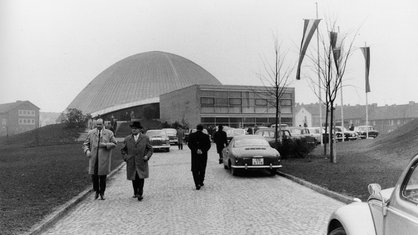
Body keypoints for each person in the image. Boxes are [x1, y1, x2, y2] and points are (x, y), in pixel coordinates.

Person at [83, 118, 117, 200]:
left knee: (102, 177)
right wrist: (87, 150)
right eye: (97, 124)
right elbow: (85, 144)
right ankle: (96, 191)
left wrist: (105, 145)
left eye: (100, 124)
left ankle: (102, 192)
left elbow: (115, 143)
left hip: (103, 159)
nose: (98, 126)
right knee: (94, 176)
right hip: (93, 158)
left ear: (103, 124)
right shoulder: (91, 133)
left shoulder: (109, 133)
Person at [121, 121, 153, 201]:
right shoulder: (127, 139)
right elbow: (123, 150)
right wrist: (126, 158)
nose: (134, 130)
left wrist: (147, 156)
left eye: (135, 129)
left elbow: (150, 149)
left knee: (140, 177)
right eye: (132, 128)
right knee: (134, 177)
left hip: (141, 161)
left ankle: (140, 193)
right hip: (131, 161)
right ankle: (135, 192)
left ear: (139, 130)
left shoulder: (145, 138)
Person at [187, 124, 211, 190]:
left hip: (195, 155)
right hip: (203, 155)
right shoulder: (206, 136)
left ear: (196, 128)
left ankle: (197, 183)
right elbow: (208, 145)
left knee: (195, 169)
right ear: (202, 129)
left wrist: (196, 150)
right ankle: (201, 181)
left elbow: (190, 144)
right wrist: (202, 150)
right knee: (202, 168)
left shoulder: (191, 136)